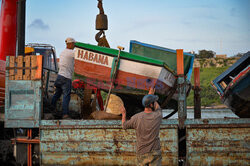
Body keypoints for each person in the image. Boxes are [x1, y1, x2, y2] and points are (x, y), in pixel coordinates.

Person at [121, 87, 162, 166]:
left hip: (141, 152)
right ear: (151, 104)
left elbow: (124, 126)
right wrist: (151, 95)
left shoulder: (136, 118)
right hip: (154, 152)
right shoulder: (157, 115)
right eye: (153, 102)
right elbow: (158, 107)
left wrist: (123, 114)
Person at [51, 37, 76, 119]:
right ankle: (65, 114)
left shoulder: (62, 52)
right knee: (66, 96)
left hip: (60, 76)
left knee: (57, 94)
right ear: (70, 44)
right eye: (74, 44)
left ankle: (51, 109)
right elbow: (80, 56)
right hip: (66, 77)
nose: (74, 45)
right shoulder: (72, 53)